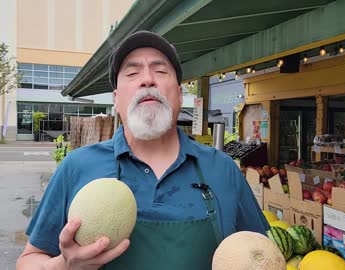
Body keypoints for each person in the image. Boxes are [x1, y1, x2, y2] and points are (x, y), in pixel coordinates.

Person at [16, 30, 269, 270]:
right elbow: (29, 260)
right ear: (116, 98)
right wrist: (64, 265)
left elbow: (263, 254)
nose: (148, 79)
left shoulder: (223, 169)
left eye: (160, 70)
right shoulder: (77, 167)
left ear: (180, 95)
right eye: (132, 73)